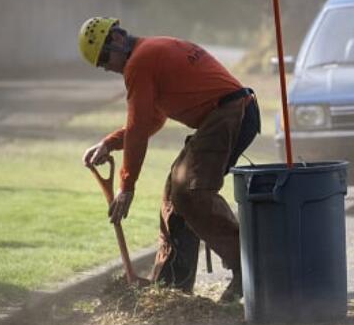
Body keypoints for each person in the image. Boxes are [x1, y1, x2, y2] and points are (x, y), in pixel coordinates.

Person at [77, 17, 260, 301]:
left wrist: (126, 187)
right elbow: (151, 120)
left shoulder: (139, 62)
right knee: (176, 195)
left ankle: (250, 268)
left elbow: (138, 128)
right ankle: (171, 288)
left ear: (115, 40)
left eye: (104, 59)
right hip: (229, 113)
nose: (108, 67)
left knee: (190, 192)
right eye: (101, 65)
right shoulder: (150, 53)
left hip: (229, 114)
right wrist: (110, 143)